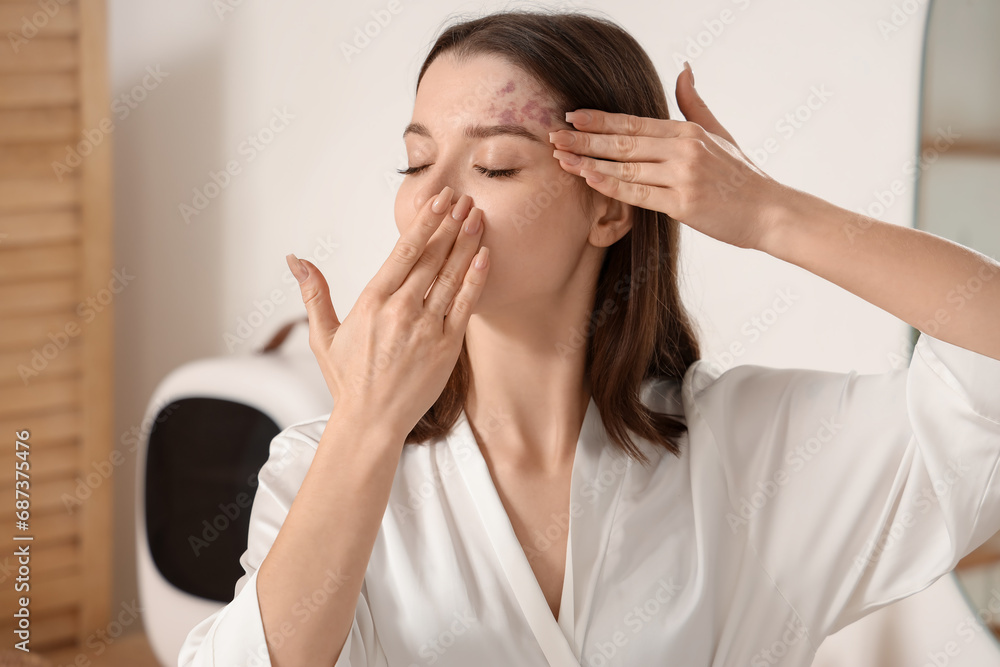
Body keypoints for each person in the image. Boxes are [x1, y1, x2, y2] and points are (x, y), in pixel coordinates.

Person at [178, 8, 1000, 667]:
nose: (431, 207)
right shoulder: (322, 466)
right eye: (415, 163)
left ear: (609, 206)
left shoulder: (753, 450)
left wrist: (766, 214)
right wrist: (364, 429)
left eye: (494, 166)